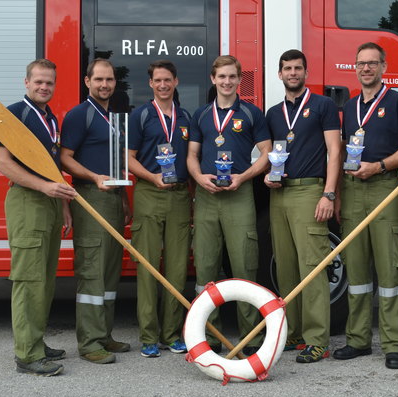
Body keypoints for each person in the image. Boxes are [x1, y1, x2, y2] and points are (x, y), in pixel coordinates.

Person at [331, 43, 398, 369]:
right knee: (355, 271)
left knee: (389, 269)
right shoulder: (350, 106)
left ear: (383, 67)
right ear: (355, 68)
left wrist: (381, 166)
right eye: (361, 64)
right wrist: (339, 194)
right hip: (353, 190)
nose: (366, 68)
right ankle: (358, 340)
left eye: (372, 63)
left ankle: (394, 345)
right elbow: (341, 152)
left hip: (384, 186)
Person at [0, 59, 77, 376]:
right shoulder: (15, 114)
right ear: (26, 82)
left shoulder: (48, 117)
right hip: (27, 202)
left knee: (43, 280)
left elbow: (49, 167)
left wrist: (64, 205)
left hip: (49, 204)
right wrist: (45, 187)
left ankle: (37, 342)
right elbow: (3, 162)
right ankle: (27, 355)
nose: (44, 87)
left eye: (49, 83)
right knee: (28, 280)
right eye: (39, 82)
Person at [187, 55, 271, 355]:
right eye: (221, 76)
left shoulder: (251, 114)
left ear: (239, 80)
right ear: (213, 79)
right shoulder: (200, 115)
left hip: (239, 195)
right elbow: (191, 156)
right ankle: (208, 336)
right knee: (205, 269)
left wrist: (244, 176)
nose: (226, 82)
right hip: (208, 198)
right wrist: (199, 178)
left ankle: (251, 338)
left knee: (245, 266)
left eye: (232, 77)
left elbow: (266, 153)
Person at [264, 49, 341, 363]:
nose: (292, 73)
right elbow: (269, 156)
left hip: (310, 191)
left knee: (312, 267)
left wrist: (329, 194)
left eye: (297, 68)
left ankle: (317, 339)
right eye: (287, 69)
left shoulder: (322, 105)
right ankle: (293, 332)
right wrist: (269, 177)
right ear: (279, 74)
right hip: (279, 194)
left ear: (305, 72)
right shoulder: (272, 113)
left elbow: (334, 151)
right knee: (286, 268)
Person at [60, 58, 132, 364]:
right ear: (87, 81)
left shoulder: (112, 115)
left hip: (113, 197)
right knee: (92, 271)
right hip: (91, 197)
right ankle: (89, 343)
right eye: (99, 79)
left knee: (110, 270)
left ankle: (104, 335)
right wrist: (93, 178)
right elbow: (65, 158)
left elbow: (116, 162)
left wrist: (125, 199)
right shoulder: (79, 115)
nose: (105, 85)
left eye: (110, 80)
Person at [127, 60, 191, 358]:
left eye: (168, 80)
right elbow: (129, 159)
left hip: (178, 197)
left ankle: (172, 334)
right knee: (149, 268)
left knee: (177, 269)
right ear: (150, 84)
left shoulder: (186, 117)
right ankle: (149, 337)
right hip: (150, 193)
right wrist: (152, 176)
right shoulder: (140, 116)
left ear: (176, 82)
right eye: (158, 80)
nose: (163, 85)